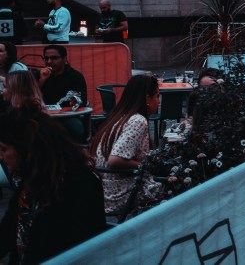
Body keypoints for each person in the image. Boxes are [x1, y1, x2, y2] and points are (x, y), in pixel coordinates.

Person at [0, 108, 107, 263]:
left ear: (28, 148)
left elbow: (80, 251)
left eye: (4, 149)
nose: (1, 156)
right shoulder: (33, 177)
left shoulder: (78, 184)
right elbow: (8, 229)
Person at [89, 74, 161, 218]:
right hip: (117, 194)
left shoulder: (121, 116)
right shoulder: (138, 121)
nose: (159, 102)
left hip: (105, 189)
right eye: (157, 96)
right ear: (147, 98)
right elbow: (115, 160)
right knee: (174, 187)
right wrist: (145, 165)